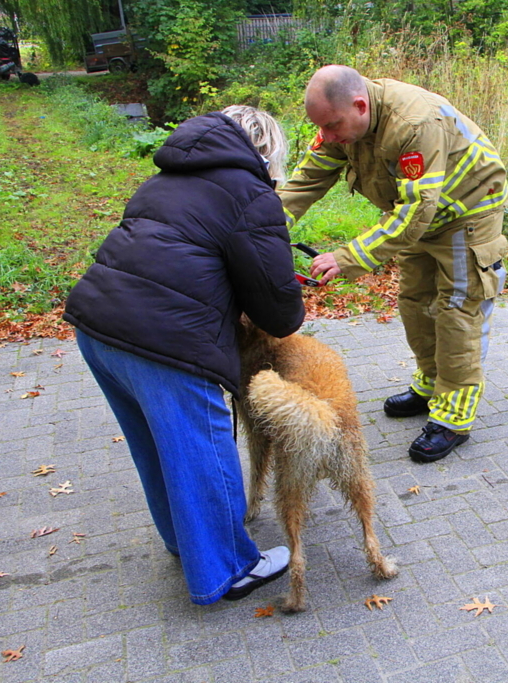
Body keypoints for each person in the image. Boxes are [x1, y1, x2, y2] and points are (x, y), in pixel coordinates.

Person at [63, 106, 305, 604]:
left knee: (155, 445)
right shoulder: (251, 194)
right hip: (163, 341)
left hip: (98, 330)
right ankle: (231, 567)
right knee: (203, 450)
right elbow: (280, 314)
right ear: (265, 150)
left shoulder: (162, 179)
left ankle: (186, 541)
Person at [278, 65, 508, 464]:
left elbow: (418, 208)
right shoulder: (341, 122)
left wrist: (349, 257)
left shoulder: (414, 123)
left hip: (466, 212)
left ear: (360, 104)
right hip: (418, 215)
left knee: (456, 310)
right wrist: (262, 229)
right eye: (323, 129)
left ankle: (453, 419)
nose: (328, 137)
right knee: (415, 303)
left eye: (332, 126)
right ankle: (431, 385)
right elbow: (307, 179)